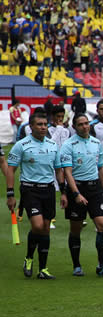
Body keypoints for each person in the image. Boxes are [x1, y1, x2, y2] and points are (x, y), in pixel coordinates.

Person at [5, 108, 63, 279]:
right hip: (30, 190)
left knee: (46, 229)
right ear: (31, 126)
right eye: (39, 124)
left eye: (45, 124)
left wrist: (64, 191)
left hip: (48, 190)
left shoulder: (53, 145)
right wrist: (10, 194)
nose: (43, 127)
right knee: (37, 226)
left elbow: (58, 170)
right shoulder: (21, 145)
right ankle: (29, 257)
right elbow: (11, 169)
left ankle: (43, 269)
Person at [59, 113, 103, 277]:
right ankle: (77, 265)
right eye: (81, 124)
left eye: (87, 123)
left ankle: (102, 266)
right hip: (77, 189)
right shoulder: (68, 145)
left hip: (95, 189)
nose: (85, 126)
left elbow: (100, 168)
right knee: (76, 229)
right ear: (74, 127)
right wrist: (76, 193)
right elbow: (68, 173)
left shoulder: (96, 143)